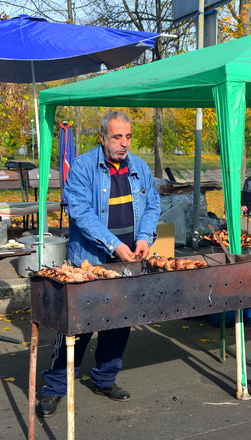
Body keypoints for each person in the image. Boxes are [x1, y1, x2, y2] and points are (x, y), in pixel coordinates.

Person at [37, 110, 161, 418]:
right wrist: (115, 245)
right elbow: (81, 212)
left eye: (128, 137)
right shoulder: (82, 167)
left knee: (119, 321)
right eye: (117, 137)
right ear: (102, 137)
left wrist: (144, 238)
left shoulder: (140, 167)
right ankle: (54, 387)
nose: (123, 144)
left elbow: (153, 204)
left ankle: (105, 379)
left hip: (129, 258)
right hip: (91, 260)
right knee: (77, 326)